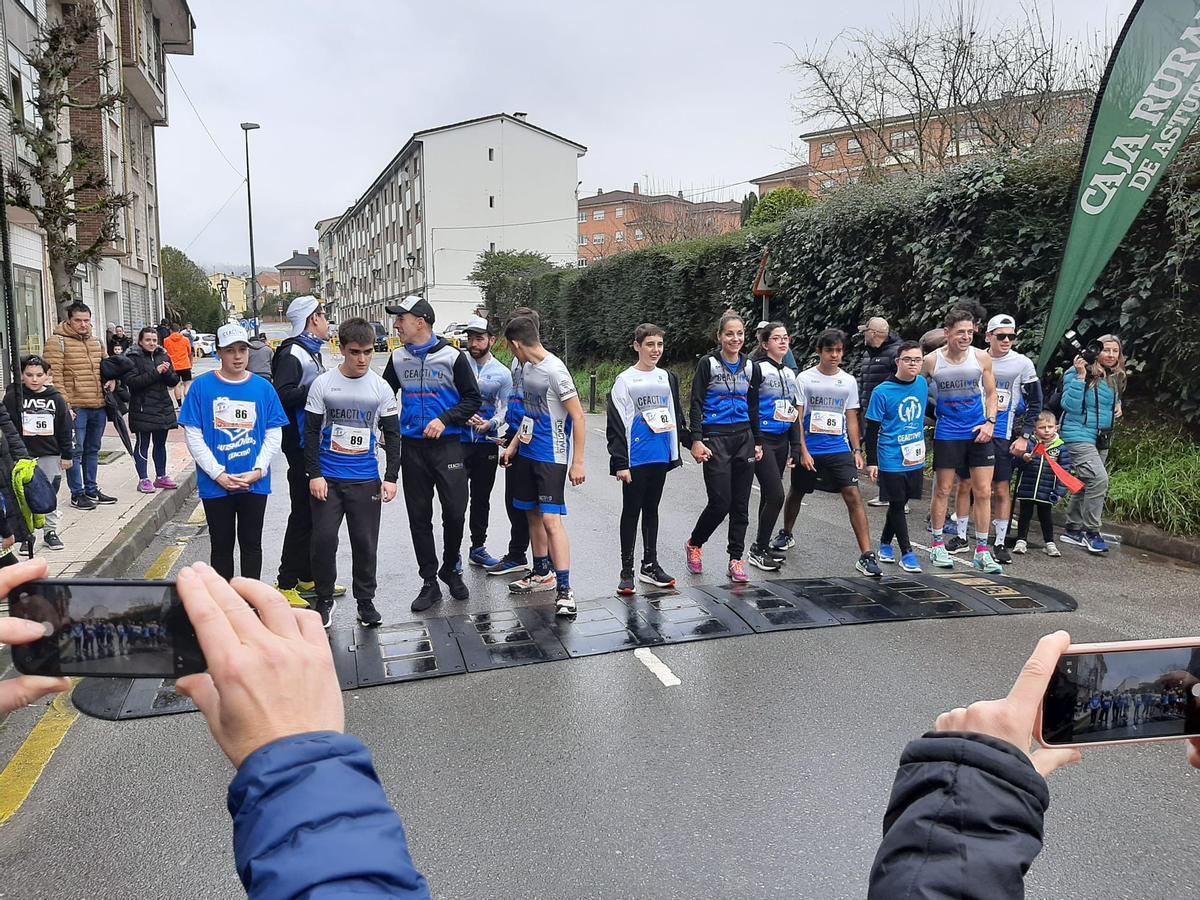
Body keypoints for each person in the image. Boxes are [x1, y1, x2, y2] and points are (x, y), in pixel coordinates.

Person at [382, 295, 481, 613]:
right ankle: (429, 582)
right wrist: (385, 426)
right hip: (413, 448)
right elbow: (385, 395)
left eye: (401, 319)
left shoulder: (453, 357)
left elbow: (472, 399)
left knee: (454, 512)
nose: (397, 325)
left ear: (420, 322)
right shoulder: (397, 359)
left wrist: (445, 419)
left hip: (448, 445)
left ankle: (451, 568)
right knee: (419, 518)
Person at [307, 318, 401, 628]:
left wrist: (390, 477)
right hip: (329, 479)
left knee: (364, 543)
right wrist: (314, 474)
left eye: (367, 353)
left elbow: (393, 434)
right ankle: (323, 599)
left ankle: (365, 602)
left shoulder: (380, 387)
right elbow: (309, 432)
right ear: (342, 348)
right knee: (323, 540)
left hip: (365, 479)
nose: (361, 359)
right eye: (354, 352)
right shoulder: (324, 384)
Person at [180, 323, 288, 583]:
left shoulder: (263, 388)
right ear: (219, 353)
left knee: (252, 544)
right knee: (221, 546)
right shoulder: (202, 387)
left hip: (254, 482)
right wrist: (218, 474)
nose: (238, 356)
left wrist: (259, 469)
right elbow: (193, 434)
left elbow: (274, 432)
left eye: (242, 350)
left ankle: (251, 602)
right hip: (216, 484)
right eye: (230, 351)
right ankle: (224, 603)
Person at [772, 329, 881, 577]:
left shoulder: (848, 381)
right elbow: (798, 417)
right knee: (797, 492)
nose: (834, 355)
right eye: (830, 350)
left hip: (839, 448)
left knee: (853, 495)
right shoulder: (806, 379)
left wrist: (856, 449)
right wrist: (801, 450)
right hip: (811, 448)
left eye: (839, 350)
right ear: (820, 352)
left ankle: (866, 555)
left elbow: (851, 417)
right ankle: (786, 533)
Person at [500, 313, 585, 616]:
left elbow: (577, 416)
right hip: (527, 451)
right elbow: (529, 415)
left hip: (552, 456)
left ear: (516, 344)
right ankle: (541, 573)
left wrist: (578, 462)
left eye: (511, 349)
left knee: (551, 521)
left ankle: (565, 589)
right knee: (532, 516)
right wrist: (512, 447)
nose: (512, 354)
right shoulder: (528, 369)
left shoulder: (554, 371)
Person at [606, 323, 688, 594]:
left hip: (660, 455)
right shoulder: (625, 380)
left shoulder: (667, 377)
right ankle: (626, 570)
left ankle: (650, 565)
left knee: (651, 510)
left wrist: (690, 444)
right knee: (631, 511)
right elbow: (616, 425)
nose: (655, 350)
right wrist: (620, 462)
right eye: (650, 344)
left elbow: (675, 416)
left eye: (660, 345)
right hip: (635, 457)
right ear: (637, 346)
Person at [922, 308, 1002, 573]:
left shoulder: (981, 357)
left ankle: (981, 550)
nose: (966, 337)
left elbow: (992, 394)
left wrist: (990, 422)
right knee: (943, 490)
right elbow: (914, 390)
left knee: (983, 491)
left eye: (970, 332)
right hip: (947, 433)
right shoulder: (931, 361)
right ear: (947, 334)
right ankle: (937, 544)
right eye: (960, 332)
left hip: (977, 432)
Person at [685, 311, 762, 584]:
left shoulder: (751, 366)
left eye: (739, 333)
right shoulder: (708, 364)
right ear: (719, 336)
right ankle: (695, 542)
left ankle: (735, 559)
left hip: (743, 438)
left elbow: (754, 407)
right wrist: (696, 439)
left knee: (741, 504)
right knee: (720, 502)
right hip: (715, 438)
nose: (735, 338)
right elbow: (695, 402)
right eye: (729, 333)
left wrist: (758, 441)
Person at [271, 295, 334, 608]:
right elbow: (282, 396)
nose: (327, 322)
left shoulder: (310, 351)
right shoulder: (293, 353)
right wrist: (318, 388)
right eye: (324, 316)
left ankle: (306, 576)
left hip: (313, 441)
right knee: (301, 515)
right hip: (299, 445)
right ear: (313, 319)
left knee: (311, 513)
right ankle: (285, 583)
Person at [42, 301, 117, 510]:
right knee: (75, 451)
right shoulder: (57, 342)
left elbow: (107, 367)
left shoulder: (96, 342)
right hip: (75, 408)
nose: (83, 325)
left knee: (93, 450)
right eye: (78, 320)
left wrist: (113, 380)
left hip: (98, 405)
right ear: (69, 320)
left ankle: (91, 489)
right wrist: (65, 406)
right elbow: (53, 377)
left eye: (87, 320)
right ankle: (78, 494)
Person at [980, 314, 1041, 564]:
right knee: (973, 487)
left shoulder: (1022, 363)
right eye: (1001, 336)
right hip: (975, 432)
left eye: (1011, 336)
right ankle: (969, 538)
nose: (1007, 341)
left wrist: (1025, 436)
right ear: (988, 336)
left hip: (1003, 435)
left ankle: (1000, 542)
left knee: (1001, 489)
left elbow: (1036, 402)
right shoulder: (976, 358)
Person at [865, 341, 928, 573]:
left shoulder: (921, 383)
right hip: (891, 454)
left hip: (915, 454)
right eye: (908, 360)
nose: (913, 364)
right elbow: (871, 429)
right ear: (897, 362)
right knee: (897, 502)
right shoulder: (882, 391)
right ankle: (907, 552)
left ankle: (884, 543)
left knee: (900, 502)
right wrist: (872, 461)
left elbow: (927, 409)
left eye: (917, 360)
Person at [486, 306, 539, 578]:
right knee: (514, 501)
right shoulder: (518, 361)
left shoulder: (539, 363)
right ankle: (517, 553)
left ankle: (546, 563)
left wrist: (518, 440)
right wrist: (507, 433)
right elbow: (516, 402)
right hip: (516, 433)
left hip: (533, 441)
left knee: (538, 507)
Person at [1059, 335, 1125, 555]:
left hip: (1101, 436)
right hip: (1078, 434)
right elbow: (1069, 405)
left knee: (1088, 481)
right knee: (1099, 479)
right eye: (1106, 350)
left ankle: (1072, 528)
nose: (1111, 355)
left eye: (1115, 351)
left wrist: (1118, 404)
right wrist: (1079, 376)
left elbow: (1108, 399)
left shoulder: (1114, 375)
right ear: (1096, 351)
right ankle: (1092, 532)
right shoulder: (1077, 372)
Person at [3, 356, 72, 551]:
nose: (34, 379)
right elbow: (8, 427)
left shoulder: (56, 398)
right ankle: (26, 534)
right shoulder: (13, 398)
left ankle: (50, 531)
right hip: (20, 455)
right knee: (22, 496)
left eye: (39, 375)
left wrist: (67, 455)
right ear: (21, 376)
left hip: (49, 453)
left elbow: (65, 428)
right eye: (29, 375)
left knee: (47, 493)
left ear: (47, 376)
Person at [460, 316, 511, 570]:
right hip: (457, 441)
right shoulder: (458, 364)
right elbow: (447, 398)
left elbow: (505, 409)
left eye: (479, 338)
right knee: (455, 500)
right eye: (470, 338)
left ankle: (477, 548)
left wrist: (491, 424)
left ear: (491, 340)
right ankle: (452, 554)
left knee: (481, 499)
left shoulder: (502, 373)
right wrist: (462, 415)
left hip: (485, 443)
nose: (474, 343)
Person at [747, 322, 799, 572]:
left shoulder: (790, 373)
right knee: (777, 494)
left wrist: (796, 445)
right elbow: (752, 406)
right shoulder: (758, 369)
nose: (782, 342)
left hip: (782, 440)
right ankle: (757, 548)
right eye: (776, 338)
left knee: (769, 494)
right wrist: (755, 439)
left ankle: (763, 545)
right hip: (763, 439)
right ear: (765, 344)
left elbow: (793, 411)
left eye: (785, 338)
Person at [122, 326, 181, 493]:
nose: (152, 343)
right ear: (140, 341)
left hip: (162, 407)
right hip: (142, 408)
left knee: (160, 444)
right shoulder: (132, 358)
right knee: (143, 444)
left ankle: (161, 476)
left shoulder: (163, 355)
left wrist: (167, 371)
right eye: (148, 340)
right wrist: (156, 372)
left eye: (154, 340)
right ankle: (143, 479)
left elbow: (174, 381)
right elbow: (132, 383)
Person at [857, 316, 902, 508]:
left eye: (865, 331)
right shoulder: (868, 353)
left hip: (888, 411)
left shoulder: (896, 353)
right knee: (876, 449)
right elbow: (863, 379)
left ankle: (898, 497)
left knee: (890, 451)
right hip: (869, 409)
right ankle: (886, 493)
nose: (863, 334)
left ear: (873, 333)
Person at [1012, 411, 1071, 557]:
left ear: (1056, 428)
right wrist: (1023, 459)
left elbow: (1065, 472)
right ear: (1034, 429)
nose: (1046, 430)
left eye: (1050, 427)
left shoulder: (1060, 447)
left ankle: (1049, 542)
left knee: (1046, 516)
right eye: (1042, 427)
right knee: (1025, 514)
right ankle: (1021, 540)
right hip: (1028, 487)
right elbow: (1015, 464)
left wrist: (1059, 493)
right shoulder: (1029, 443)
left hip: (1048, 490)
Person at [163, 324, 194, 404]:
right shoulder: (185, 340)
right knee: (187, 384)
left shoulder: (166, 340)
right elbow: (189, 352)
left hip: (173, 366)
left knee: (177, 385)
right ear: (179, 330)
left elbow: (165, 353)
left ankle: (179, 404)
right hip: (185, 364)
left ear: (170, 330)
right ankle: (187, 401)